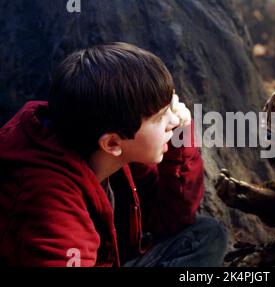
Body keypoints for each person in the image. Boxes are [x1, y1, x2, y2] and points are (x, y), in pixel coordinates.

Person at [0, 42, 228, 267]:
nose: (175, 120)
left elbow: (171, 218)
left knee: (205, 235)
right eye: (160, 117)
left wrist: (181, 138)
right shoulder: (51, 204)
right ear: (111, 143)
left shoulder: (104, 140)